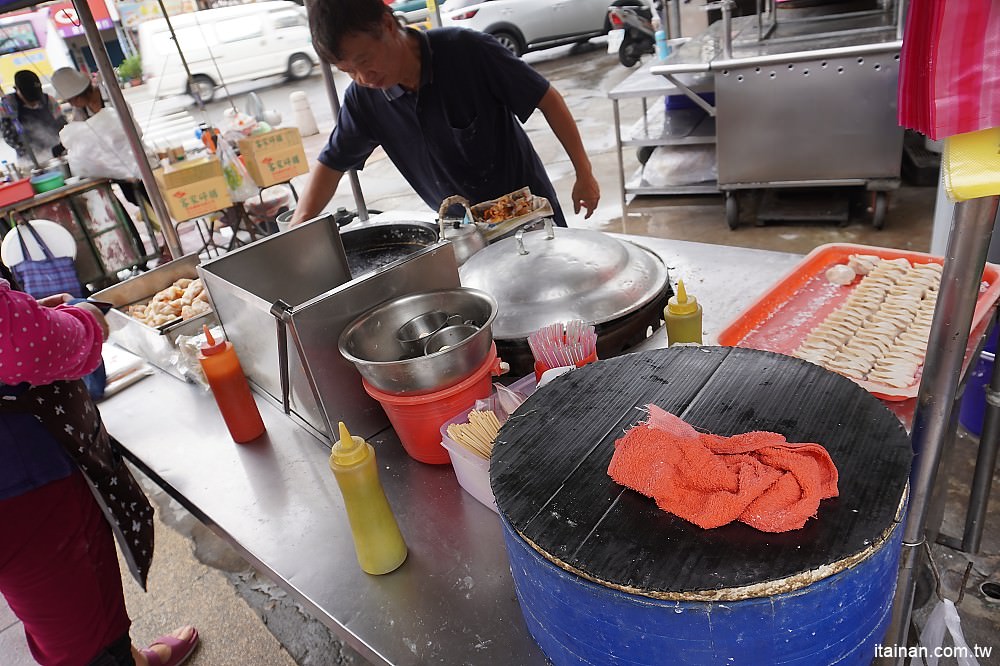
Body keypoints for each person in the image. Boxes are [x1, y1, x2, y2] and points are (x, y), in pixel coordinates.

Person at [0, 282, 199, 666]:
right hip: (24, 484)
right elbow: (19, 346)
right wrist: (85, 321)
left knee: (51, 614)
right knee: (82, 633)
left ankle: (131, 658)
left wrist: (26, 313)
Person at [290, 0, 600, 227]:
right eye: (348, 71)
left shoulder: (467, 51)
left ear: (387, 25)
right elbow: (330, 164)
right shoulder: (363, 100)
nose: (363, 77)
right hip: (461, 233)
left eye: (365, 59)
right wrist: (298, 226)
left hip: (528, 217)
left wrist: (584, 174)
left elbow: (547, 98)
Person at [0, 70, 67, 166]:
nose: (34, 102)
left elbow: (63, 125)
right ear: (17, 89)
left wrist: (62, 145)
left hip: (57, 155)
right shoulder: (8, 105)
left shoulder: (49, 100)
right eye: (29, 98)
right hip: (29, 161)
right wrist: (30, 153)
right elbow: (8, 136)